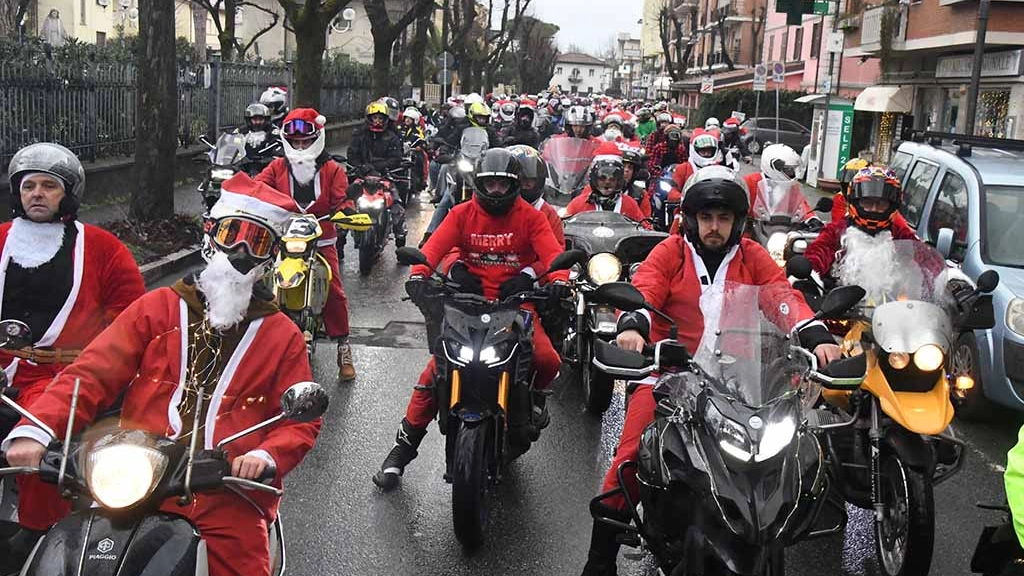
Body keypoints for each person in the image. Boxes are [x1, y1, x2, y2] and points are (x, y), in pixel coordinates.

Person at [1, 174, 322, 576]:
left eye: (256, 242)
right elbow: (93, 371)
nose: (240, 251)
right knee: (68, 547)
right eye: (231, 233)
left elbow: (302, 423)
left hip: (225, 487)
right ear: (211, 235)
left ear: (270, 255)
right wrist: (36, 429)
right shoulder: (159, 308)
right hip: (132, 472)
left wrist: (264, 456)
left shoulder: (283, 335)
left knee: (242, 564)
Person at [579, 166, 842, 576]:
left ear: (738, 222)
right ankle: (599, 560)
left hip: (739, 385)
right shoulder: (671, 252)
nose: (714, 227)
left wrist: (815, 334)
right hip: (670, 377)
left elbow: (780, 296)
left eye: (723, 218)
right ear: (691, 219)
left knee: (792, 450)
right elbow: (645, 290)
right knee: (631, 455)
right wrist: (633, 326)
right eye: (706, 218)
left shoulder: (752, 256)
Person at [372, 149, 571, 491]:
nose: (495, 191)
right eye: (488, 184)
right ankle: (401, 451)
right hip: (465, 307)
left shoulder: (532, 217)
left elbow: (555, 257)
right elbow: (432, 249)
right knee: (434, 374)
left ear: (515, 186)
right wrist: (425, 274)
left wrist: (554, 282)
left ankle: (532, 403)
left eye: (502, 185)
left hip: (516, 307)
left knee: (547, 359)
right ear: (477, 184)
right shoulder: (462, 213)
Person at [0, 143, 146, 568]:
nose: (38, 194)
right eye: (29, 186)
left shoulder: (101, 247)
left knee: (38, 443)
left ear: (69, 194)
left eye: (49, 186)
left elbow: (132, 319)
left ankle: (39, 532)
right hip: (6, 370)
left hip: (66, 374)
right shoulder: (1, 240)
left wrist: (100, 361)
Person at [255, 108, 357, 381]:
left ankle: (343, 346)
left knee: (334, 288)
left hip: (321, 240)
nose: (300, 146)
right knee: (257, 282)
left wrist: (346, 209)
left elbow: (341, 198)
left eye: (306, 141)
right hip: (284, 240)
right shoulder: (276, 167)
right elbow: (258, 188)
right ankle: (251, 343)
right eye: (296, 142)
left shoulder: (332, 169)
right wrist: (242, 198)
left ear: (317, 138)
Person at [803, 166, 919, 278]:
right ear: (855, 201)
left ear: (893, 205)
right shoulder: (836, 230)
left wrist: (933, 279)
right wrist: (809, 276)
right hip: (841, 296)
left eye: (881, 203)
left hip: (893, 297)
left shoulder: (900, 234)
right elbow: (817, 254)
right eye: (867, 202)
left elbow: (924, 259)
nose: (874, 209)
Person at [347, 101, 408, 248]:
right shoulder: (359, 135)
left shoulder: (392, 137)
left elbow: (396, 158)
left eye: (381, 118)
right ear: (368, 118)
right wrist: (360, 167)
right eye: (374, 118)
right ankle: (340, 240)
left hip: (384, 177)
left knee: (396, 204)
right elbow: (352, 155)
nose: (377, 121)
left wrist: (380, 166)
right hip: (361, 177)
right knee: (344, 204)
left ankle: (400, 237)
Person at [744, 144, 823, 231]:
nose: (792, 174)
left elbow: (801, 206)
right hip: (754, 230)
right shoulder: (749, 182)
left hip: (783, 229)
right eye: (788, 170)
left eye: (793, 169)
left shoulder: (791, 185)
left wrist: (812, 219)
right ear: (773, 166)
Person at [564, 143, 646, 222]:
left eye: (612, 179)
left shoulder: (630, 204)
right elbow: (562, 229)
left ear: (619, 180)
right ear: (594, 179)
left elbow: (647, 230)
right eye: (602, 178)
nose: (607, 182)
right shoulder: (578, 204)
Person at [507, 145, 565, 248]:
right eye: (522, 181)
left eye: (531, 181)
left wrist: (532, 265)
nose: (527, 185)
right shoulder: (492, 210)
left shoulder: (548, 213)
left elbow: (556, 253)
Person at [645, 124, 688, 195]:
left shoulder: (681, 149)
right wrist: (660, 174)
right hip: (660, 177)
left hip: (678, 178)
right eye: (672, 135)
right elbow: (651, 165)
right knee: (651, 192)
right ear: (666, 137)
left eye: (676, 136)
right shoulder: (659, 147)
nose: (674, 139)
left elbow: (685, 164)